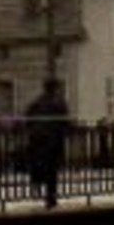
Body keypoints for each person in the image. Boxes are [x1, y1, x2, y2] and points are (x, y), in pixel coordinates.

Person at [24, 77, 70, 209]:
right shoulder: (59, 103)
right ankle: (51, 197)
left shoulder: (36, 102)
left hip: (37, 140)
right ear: (55, 88)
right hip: (53, 140)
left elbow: (28, 120)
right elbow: (64, 122)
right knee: (52, 169)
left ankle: (37, 186)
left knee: (39, 165)